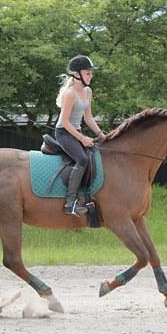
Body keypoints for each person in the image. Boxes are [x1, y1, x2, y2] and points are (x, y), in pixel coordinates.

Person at [55, 55, 106, 216]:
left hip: (76, 131)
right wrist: (82, 138)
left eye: (91, 73)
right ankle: (70, 203)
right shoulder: (70, 94)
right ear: (77, 74)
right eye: (88, 73)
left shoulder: (87, 91)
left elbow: (88, 118)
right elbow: (64, 121)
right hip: (64, 133)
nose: (91, 76)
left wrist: (100, 134)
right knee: (82, 159)